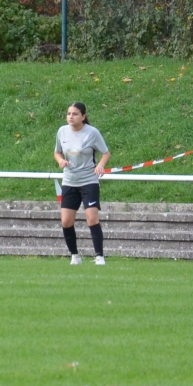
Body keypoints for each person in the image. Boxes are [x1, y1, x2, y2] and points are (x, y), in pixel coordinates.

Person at [53, 102, 111, 265]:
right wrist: (60, 161)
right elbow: (57, 152)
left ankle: (99, 256)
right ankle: (74, 256)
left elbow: (106, 153)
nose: (71, 117)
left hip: (88, 181)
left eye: (75, 114)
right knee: (66, 221)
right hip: (70, 181)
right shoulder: (62, 131)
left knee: (91, 218)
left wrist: (100, 165)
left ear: (83, 116)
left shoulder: (92, 133)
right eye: (69, 114)